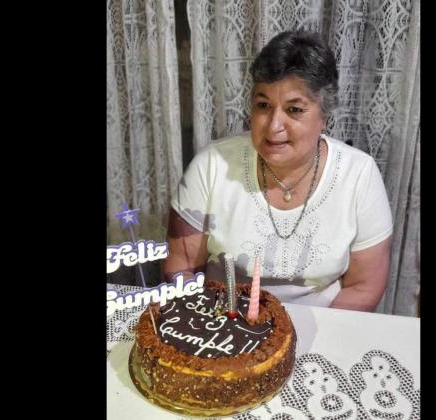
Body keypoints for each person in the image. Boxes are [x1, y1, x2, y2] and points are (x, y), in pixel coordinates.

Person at [164, 30, 392, 312]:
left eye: (294, 110)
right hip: (224, 323)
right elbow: (181, 267)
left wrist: (298, 342)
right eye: (263, 105)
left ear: (324, 115)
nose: (273, 126)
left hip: (322, 328)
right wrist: (218, 328)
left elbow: (364, 286)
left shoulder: (360, 174)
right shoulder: (210, 165)